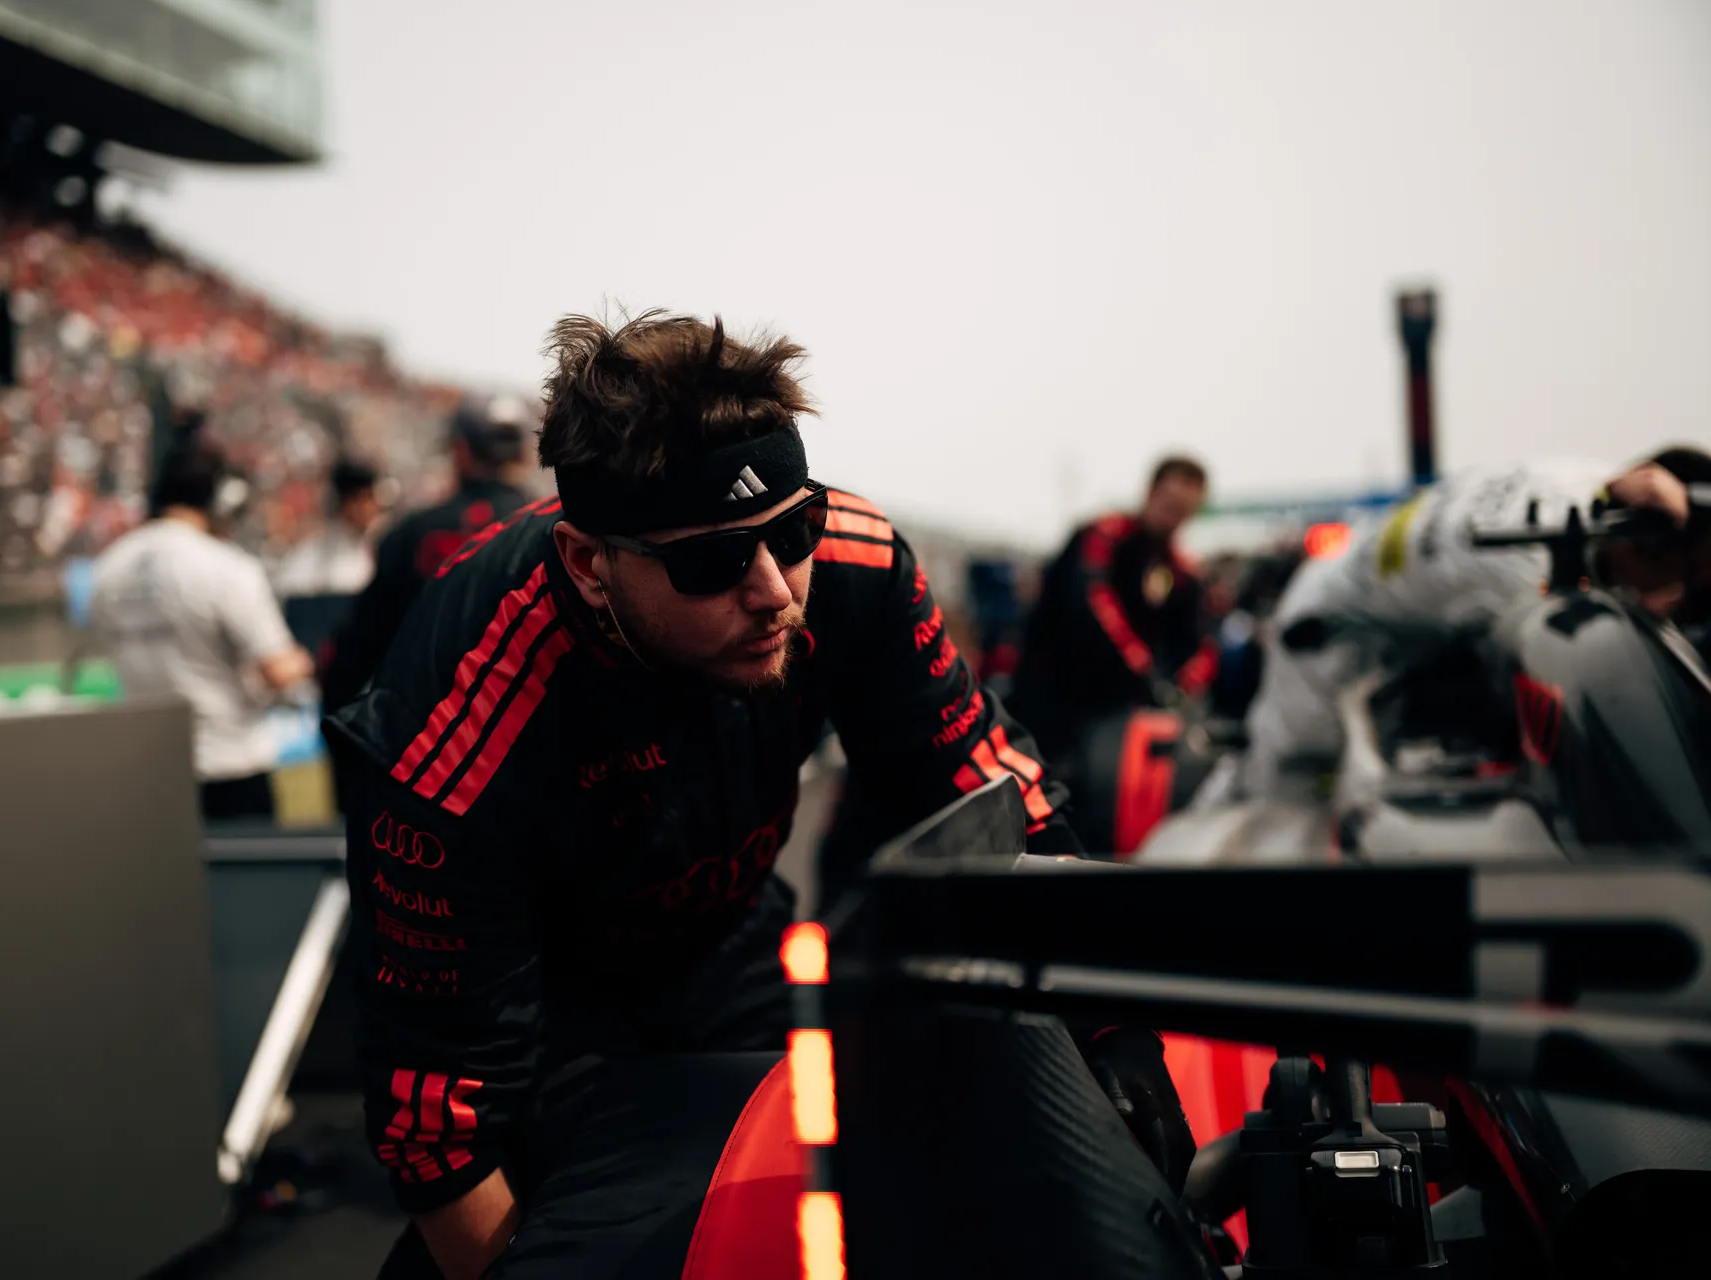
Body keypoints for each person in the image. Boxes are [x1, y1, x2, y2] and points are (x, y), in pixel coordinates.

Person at [327, 312, 1193, 1279]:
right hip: (554, 1032)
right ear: (589, 564)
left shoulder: (858, 567)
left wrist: (1114, 1030)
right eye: (712, 561)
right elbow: (439, 1126)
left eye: (795, 530)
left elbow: (1003, 804)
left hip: (737, 954)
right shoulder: (456, 730)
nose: (776, 590)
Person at [1240, 447, 1711, 797]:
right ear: (1644, 537)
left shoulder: (1586, 480)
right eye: (1688, 576)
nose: (1681, 596)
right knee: (1292, 794)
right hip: (1329, 634)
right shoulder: (1530, 564)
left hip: (1389, 620)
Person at [91, 440, 314, 821]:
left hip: (148, 773)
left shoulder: (108, 568)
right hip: (230, 767)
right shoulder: (224, 566)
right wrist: (310, 657)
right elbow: (278, 670)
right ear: (223, 498)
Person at [320, 396, 534, 713]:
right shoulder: (557, 528)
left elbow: (357, 650)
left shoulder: (410, 533)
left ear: (460, 450)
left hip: (431, 736)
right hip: (531, 728)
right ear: (524, 453)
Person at [1008, 456, 1219, 764]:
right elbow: (1091, 606)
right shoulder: (1102, 537)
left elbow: (1199, 639)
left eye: (1184, 511)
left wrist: (1177, 684)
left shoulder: (1182, 570)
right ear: (1150, 492)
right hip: (1054, 697)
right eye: (1169, 505)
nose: (1174, 517)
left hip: (1119, 713)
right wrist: (1142, 668)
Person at [277, 459, 384, 598]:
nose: (371, 508)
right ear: (345, 503)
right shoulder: (310, 562)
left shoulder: (370, 552)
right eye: (365, 499)